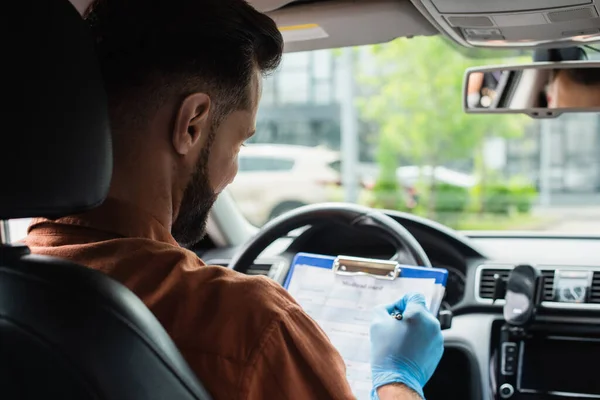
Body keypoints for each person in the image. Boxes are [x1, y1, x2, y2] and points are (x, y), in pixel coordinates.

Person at [24, 0, 443, 399]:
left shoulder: (18, 292)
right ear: (191, 124)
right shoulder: (249, 327)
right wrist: (398, 379)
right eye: (239, 143)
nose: (232, 173)